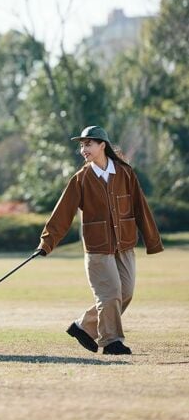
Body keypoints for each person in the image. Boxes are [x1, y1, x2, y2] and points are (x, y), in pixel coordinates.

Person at [34, 125, 163, 355]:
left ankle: (84, 326)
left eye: (88, 144)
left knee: (126, 292)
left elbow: (140, 207)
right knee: (110, 293)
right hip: (97, 248)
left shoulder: (125, 173)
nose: (84, 149)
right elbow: (63, 213)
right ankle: (111, 341)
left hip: (124, 244)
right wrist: (47, 242)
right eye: (82, 145)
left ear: (103, 145)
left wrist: (152, 240)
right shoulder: (81, 179)